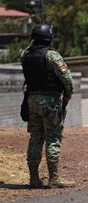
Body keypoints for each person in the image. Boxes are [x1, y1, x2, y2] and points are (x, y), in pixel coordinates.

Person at [21, 24, 75, 189]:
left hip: (32, 101)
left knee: (36, 137)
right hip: (50, 102)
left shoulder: (25, 55)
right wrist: (67, 94)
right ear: (49, 38)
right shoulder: (52, 55)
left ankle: (34, 178)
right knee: (52, 137)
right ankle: (54, 177)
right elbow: (67, 79)